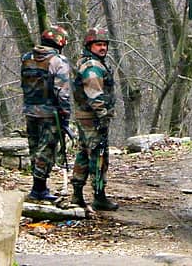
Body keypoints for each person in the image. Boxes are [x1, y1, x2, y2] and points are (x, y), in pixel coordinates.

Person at [20, 25, 73, 201]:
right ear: (60, 42)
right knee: (46, 150)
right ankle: (39, 190)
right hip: (51, 113)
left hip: (30, 110)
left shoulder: (27, 57)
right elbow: (62, 92)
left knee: (35, 149)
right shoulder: (59, 61)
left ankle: (39, 187)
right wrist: (66, 115)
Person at [70, 27, 118, 210]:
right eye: (98, 44)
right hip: (92, 118)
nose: (103, 47)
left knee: (84, 153)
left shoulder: (92, 63)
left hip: (87, 117)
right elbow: (95, 94)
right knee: (98, 155)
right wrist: (103, 115)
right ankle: (98, 196)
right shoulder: (92, 67)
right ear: (90, 46)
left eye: (104, 44)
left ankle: (77, 194)